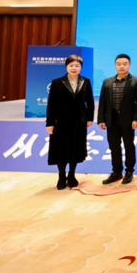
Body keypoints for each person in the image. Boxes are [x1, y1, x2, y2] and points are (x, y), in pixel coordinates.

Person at [45, 55, 95, 190]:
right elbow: (51, 104)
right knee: (61, 149)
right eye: (71, 65)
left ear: (81, 68)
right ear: (66, 67)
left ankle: (72, 175)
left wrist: (89, 118)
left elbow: (90, 102)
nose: (74, 68)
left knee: (75, 148)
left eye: (77, 66)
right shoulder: (57, 82)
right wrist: (49, 123)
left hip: (79, 121)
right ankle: (61, 176)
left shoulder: (85, 81)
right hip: (60, 121)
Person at [97, 54, 137, 185]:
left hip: (128, 120)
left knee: (129, 146)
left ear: (129, 65)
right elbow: (103, 102)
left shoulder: (136, 81)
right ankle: (116, 171)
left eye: (125, 64)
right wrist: (101, 119)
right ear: (115, 65)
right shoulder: (107, 82)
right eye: (119, 64)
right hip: (111, 120)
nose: (122, 66)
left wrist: (136, 118)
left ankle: (129, 172)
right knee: (114, 147)